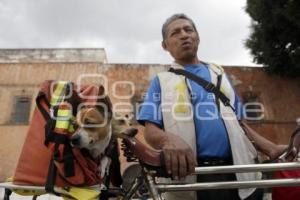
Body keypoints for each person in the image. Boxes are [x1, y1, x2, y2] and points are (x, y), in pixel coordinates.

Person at [137, 13, 285, 200]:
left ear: (197, 37)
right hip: (192, 175)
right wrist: (168, 140)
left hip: (239, 169)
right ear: (165, 45)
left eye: (188, 30)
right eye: (175, 32)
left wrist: (270, 148)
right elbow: (150, 131)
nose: (184, 35)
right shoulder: (161, 81)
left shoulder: (220, 75)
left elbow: (239, 124)